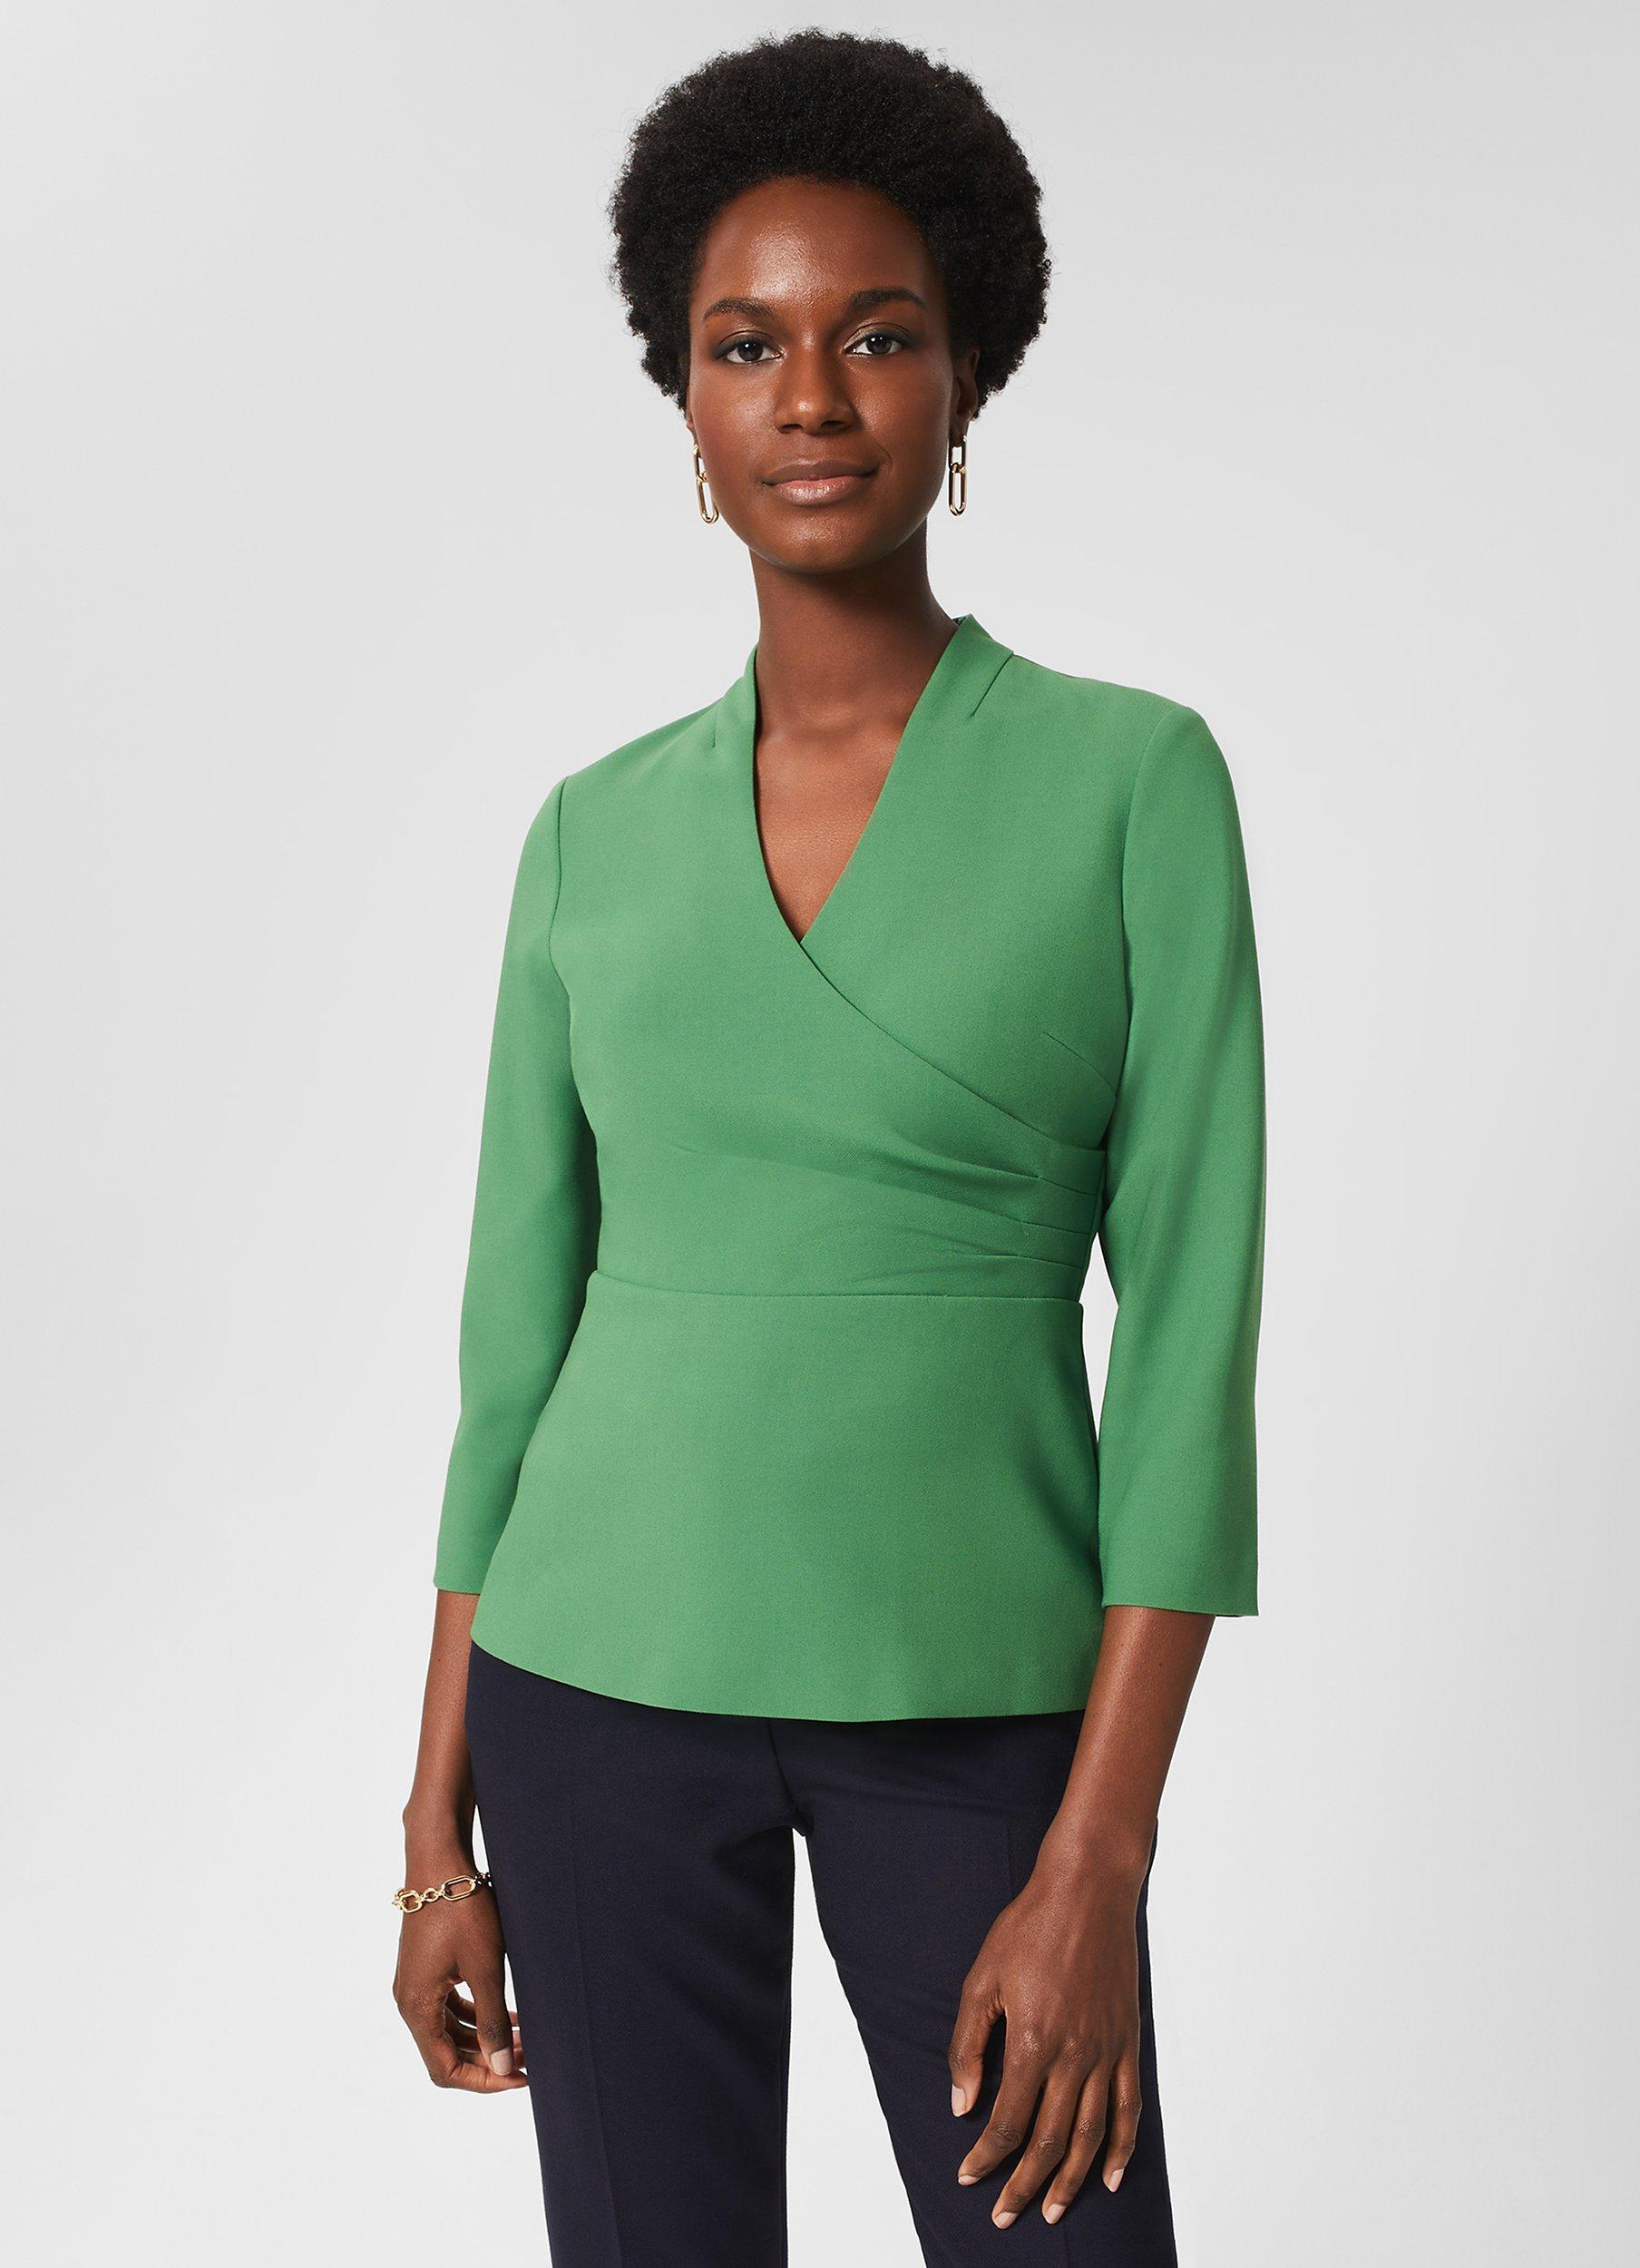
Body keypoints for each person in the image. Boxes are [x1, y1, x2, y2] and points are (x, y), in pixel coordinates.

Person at [393, 29, 1266, 2265]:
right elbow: (510, 1355)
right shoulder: (588, 833)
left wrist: (1098, 1857)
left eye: (874, 336)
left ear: (964, 376)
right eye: (742, 345)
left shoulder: (1131, 782)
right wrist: (429, 1829)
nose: (808, 397)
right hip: (587, 1693)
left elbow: (1187, 1350)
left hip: (975, 1708)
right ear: (683, 408)